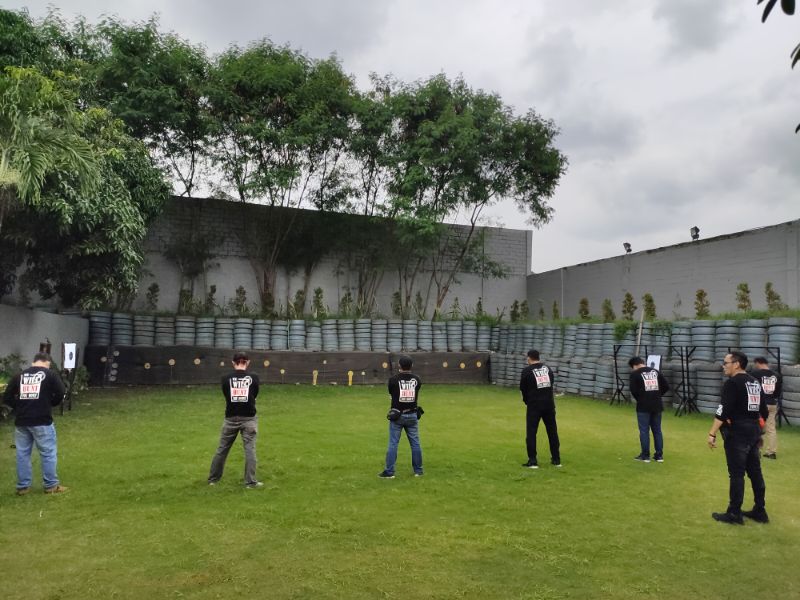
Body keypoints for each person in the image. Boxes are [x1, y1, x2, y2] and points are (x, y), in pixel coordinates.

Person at [708, 351, 769, 524]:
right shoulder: (755, 382)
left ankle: (734, 513)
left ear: (736, 364)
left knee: (736, 473)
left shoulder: (732, 383)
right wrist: (757, 428)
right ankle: (760, 510)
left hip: (738, 433)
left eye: (726, 362)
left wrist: (712, 433)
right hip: (753, 430)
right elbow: (763, 411)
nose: (723, 365)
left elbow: (723, 410)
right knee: (755, 471)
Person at [2, 352, 67, 495]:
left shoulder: (19, 375)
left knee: (22, 453)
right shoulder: (50, 375)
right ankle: (51, 486)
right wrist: (51, 403)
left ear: (34, 361)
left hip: (22, 421)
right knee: (48, 452)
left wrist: (18, 405)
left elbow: (6, 397)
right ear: (47, 362)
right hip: (42, 420)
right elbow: (61, 392)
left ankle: (23, 487)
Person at [208, 351, 263, 488]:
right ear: (247, 362)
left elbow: (226, 395)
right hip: (249, 418)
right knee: (250, 449)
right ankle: (250, 482)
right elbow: (254, 395)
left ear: (233, 363)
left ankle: (213, 480)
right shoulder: (254, 377)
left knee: (222, 449)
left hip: (230, 418)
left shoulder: (225, 378)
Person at [379, 355, 423, 478]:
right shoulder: (417, 379)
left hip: (397, 416)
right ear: (411, 366)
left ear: (399, 366)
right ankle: (418, 471)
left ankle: (389, 472)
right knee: (415, 444)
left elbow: (391, 393)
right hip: (412, 414)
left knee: (393, 443)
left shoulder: (393, 379)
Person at [519, 349, 560, 468]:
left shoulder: (527, 371)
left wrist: (527, 402)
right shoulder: (547, 369)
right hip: (549, 405)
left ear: (529, 358)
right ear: (539, 357)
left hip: (534, 405)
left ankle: (532, 461)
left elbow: (523, 389)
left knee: (531, 432)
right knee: (552, 432)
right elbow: (550, 384)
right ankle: (556, 459)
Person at [628, 356, 670, 463]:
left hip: (643, 406)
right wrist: (657, 395)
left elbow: (633, 390)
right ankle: (659, 456)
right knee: (657, 430)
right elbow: (666, 386)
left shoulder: (635, 374)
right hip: (657, 405)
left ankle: (645, 455)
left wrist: (641, 398)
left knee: (644, 431)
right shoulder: (656, 372)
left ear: (635, 365)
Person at [751, 356, 782, 460]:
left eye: (755, 364)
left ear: (758, 363)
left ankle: (756, 450)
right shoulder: (776, 375)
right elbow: (778, 392)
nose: (755, 366)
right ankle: (771, 452)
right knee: (771, 428)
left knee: (756, 427)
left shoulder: (755, 374)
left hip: (760, 404)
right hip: (772, 403)